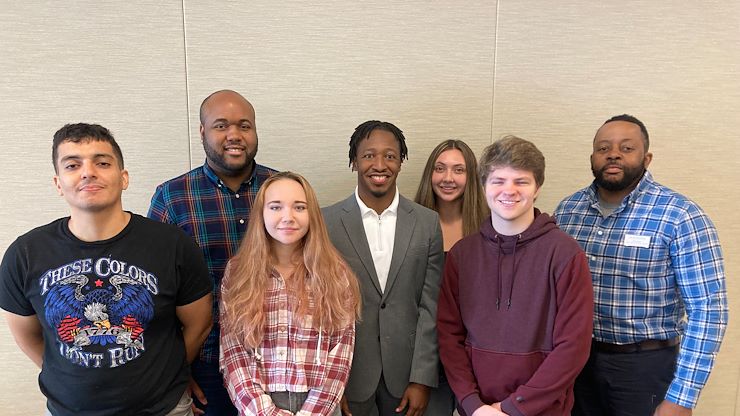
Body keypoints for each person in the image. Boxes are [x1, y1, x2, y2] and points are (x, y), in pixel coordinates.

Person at [0, 123, 213, 416]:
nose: (88, 172)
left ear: (123, 178)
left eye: (102, 162)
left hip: (165, 409)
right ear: (58, 183)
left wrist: (166, 376)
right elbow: (27, 337)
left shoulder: (171, 244)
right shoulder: (24, 254)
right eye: (73, 165)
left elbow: (199, 323)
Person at [554, 114, 728, 416]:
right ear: (592, 157)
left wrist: (681, 397)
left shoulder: (680, 215)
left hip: (644, 368)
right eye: (603, 147)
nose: (613, 154)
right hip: (577, 363)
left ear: (646, 158)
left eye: (627, 148)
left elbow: (708, 311)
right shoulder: (568, 211)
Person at [437, 135, 593, 416]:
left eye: (521, 181)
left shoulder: (566, 254)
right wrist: (473, 404)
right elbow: (449, 337)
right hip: (477, 410)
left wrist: (514, 407)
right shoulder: (462, 255)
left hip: (544, 410)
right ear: (484, 186)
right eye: (498, 181)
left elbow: (574, 347)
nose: (509, 190)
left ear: (537, 188)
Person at [149, 90, 277, 415]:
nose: (234, 135)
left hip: (278, 357)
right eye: (221, 126)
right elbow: (155, 296)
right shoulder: (172, 198)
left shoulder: (281, 189)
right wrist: (177, 370)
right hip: (207, 363)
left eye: (244, 125)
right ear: (203, 132)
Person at [323, 120, 444, 416]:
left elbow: (431, 306)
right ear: (354, 161)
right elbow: (319, 310)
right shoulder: (326, 223)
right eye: (368, 155)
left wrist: (422, 378)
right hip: (348, 375)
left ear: (401, 162)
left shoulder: (426, 223)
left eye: (390, 156)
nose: (380, 165)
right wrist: (329, 383)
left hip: (406, 377)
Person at [219, 171, 361, 415]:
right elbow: (233, 352)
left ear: (312, 215)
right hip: (259, 404)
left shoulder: (334, 273)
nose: (288, 217)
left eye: (299, 207)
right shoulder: (238, 272)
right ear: (261, 214)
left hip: (320, 404)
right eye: (275, 207)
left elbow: (341, 353)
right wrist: (264, 411)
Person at [414, 139, 487, 414]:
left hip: (475, 354)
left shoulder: (489, 227)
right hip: (426, 354)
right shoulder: (411, 225)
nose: (447, 178)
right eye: (440, 168)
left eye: (459, 170)